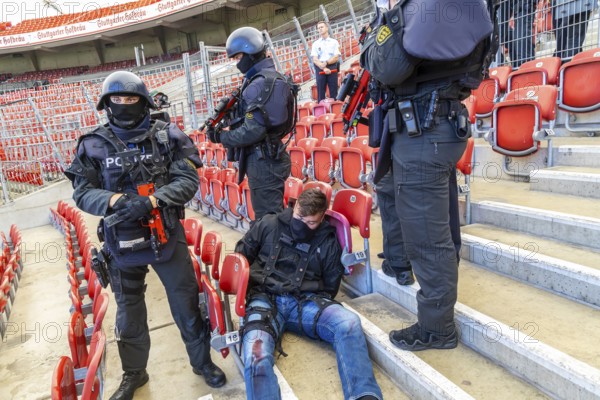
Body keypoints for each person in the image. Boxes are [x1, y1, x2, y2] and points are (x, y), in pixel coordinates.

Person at [65, 71, 226, 400]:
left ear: (145, 101)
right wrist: (117, 201)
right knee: (129, 313)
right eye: (117, 100)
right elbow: (82, 193)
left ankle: (202, 363)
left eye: (131, 99)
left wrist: (151, 201)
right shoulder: (92, 143)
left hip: (166, 235)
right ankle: (134, 373)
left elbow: (188, 181)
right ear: (106, 104)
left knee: (186, 305)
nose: (124, 105)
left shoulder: (166, 135)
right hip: (120, 244)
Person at [361, 0, 495, 351]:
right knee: (440, 233)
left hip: (425, 132)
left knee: (426, 237)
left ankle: (437, 329)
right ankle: (439, 316)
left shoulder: (427, 5)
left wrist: (388, 15)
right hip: (437, 126)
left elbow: (384, 66)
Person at [235, 189, 383, 400]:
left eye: (311, 222)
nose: (302, 225)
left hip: (305, 303)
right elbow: (241, 256)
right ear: (294, 206)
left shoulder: (327, 240)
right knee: (255, 353)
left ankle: (364, 394)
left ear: (322, 217)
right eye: (298, 218)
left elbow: (331, 286)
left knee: (348, 323)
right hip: (264, 298)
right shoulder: (268, 224)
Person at [206, 26, 294, 220]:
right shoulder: (261, 79)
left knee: (268, 221)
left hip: (265, 161)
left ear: (250, 53)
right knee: (267, 217)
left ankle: (271, 250)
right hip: (265, 158)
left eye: (239, 58)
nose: (238, 63)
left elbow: (253, 131)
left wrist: (221, 136)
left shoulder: (261, 82)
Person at [311, 21, 341, 102]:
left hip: (332, 67)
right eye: (318, 28)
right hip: (320, 68)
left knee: (334, 92)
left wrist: (326, 63)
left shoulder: (334, 42)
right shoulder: (315, 44)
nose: (320, 29)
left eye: (322, 27)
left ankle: (335, 109)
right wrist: (323, 67)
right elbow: (315, 59)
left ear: (327, 28)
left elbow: (336, 57)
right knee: (320, 94)